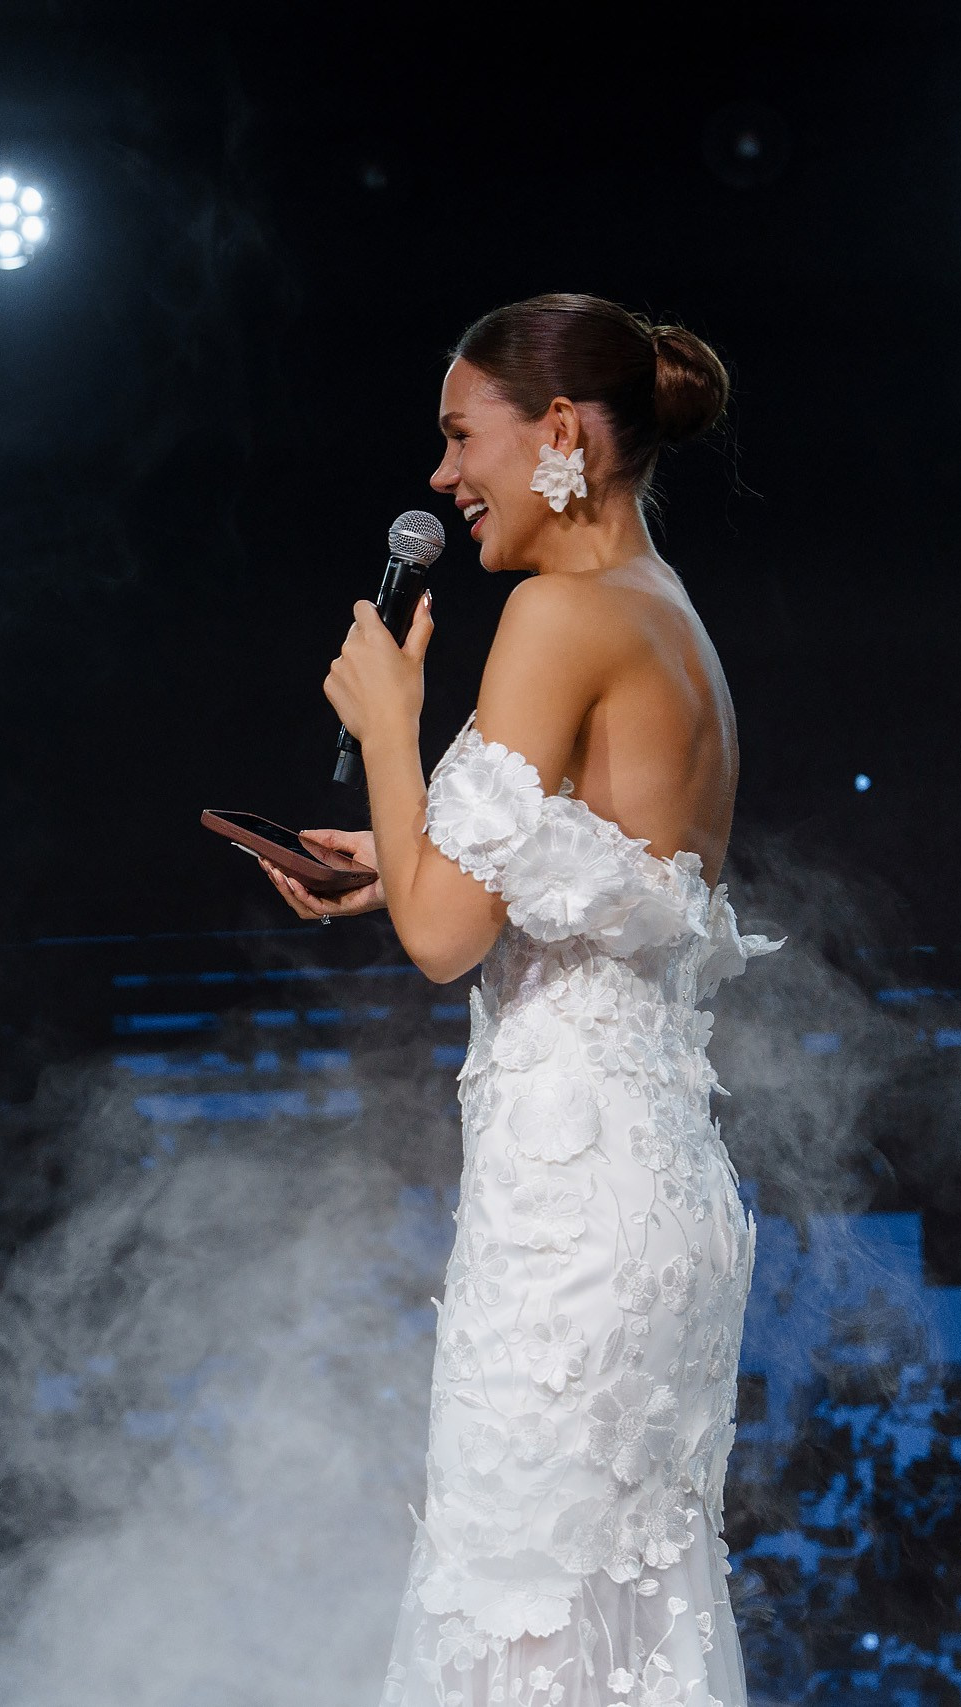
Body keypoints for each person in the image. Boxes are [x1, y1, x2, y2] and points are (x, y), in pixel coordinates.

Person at [258, 294, 774, 1707]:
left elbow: (442, 939)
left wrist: (386, 735)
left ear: (558, 433)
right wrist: (410, 848)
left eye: (457, 435)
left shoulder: (555, 614)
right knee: (620, 1604)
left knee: (524, 1597)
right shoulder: (669, 618)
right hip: (655, 1195)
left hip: (569, 1220)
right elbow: (554, 879)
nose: (441, 478)